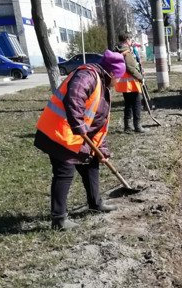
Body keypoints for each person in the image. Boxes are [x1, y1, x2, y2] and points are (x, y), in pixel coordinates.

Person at [34, 49, 126, 231]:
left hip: (76, 134)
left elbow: (96, 123)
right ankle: (59, 219)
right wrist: (79, 127)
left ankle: (95, 202)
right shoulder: (88, 76)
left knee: (91, 164)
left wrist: (102, 150)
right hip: (60, 133)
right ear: (112, 73)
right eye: (119, 78)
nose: (119, 82)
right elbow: (74, 98)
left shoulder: (101, 83)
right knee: (64, 172)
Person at [114, 33, 149, 133]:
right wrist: (140, 77)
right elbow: (130, 68)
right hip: (132, 82)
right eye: (130, 40)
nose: (131, 42)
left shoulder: (118, 50)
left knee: (128, 104)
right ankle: (137, 126)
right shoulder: (126, 51)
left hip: (123, 83)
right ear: (126, 40)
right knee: (137, 103)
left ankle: (127, 126)